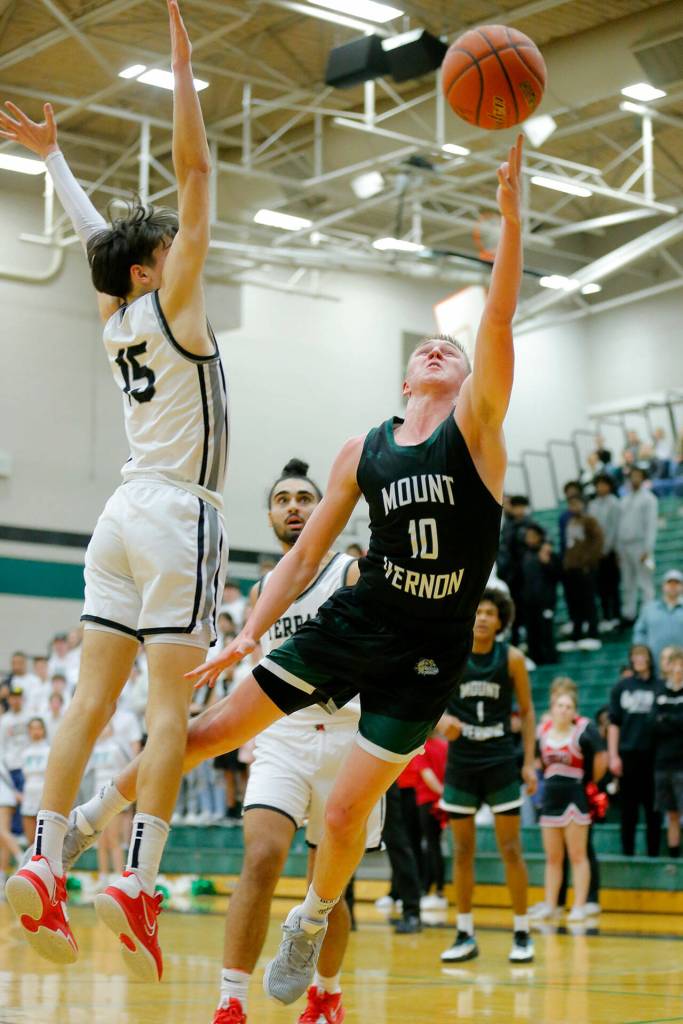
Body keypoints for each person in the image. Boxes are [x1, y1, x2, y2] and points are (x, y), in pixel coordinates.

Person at [54, 134, 525, 1004]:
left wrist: (508, 218)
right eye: (422, 346)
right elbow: (305, 556)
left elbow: (493, 321)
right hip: (356, 623)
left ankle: (310, 923)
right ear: (404, 373)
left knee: (344, 816)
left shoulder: (480, 434)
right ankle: (84, 825)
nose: (434, 349)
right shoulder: (363, 448)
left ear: (467, 380)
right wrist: (248, 635)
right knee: (197, 733)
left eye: (446, 351)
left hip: (429, 649)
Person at [2, 1, 229, 980]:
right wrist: (181, 73)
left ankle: (46, 861)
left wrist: (55, 162)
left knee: (90, 702)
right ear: (153, 267)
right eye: (167, 245)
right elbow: (197, 171)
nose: (185, 244)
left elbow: (101, 241)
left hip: (118, 515)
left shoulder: (116, 315)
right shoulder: (172, 306)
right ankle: (134, 880)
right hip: (182, 513)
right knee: (166, 705)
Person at [438, 589, 536, 963]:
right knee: (462, 851)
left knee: (511, 849)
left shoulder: (511, 658)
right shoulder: (454, 653)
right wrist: (440, 721)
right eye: (477, 610)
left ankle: (523, 931)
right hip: (462, 761)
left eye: (489, 612)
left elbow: (526, 713)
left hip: (499, 760)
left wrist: (528, 761)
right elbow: (428, 701)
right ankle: (464, 932)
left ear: (500, 620)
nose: (481, 617)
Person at [534, 679, 607, 922]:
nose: (563, 709)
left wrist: (589, 781)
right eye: (559, 705)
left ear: (574, 711)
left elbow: (599, 761)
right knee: (553, 858)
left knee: (578, 855)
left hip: (574, 796)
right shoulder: (542, 733)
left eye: (568, 706)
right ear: (552, 707)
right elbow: (537, 763)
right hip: (550, 798)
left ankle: (579, 905)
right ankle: (551, 904)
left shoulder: (580, 732)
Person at [608, 644, 661, 857]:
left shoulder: (660, 686)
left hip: (654, 756)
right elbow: (614, 724)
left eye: (643, 655)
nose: (639, 659)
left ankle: (653, 855)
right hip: (628, 755)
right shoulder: (621, 687)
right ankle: (628, 854)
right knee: (628, 811)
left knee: (653, 811)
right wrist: (613, 755)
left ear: (649, 658)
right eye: (635, 656)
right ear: (631, 659)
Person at [557, 494, 603, 652]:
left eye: (576, 503)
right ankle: (576, 635)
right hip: (571, 569)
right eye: (570, 504)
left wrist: (588, 562)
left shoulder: (590, 521)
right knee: (574, 603)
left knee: (588, 602)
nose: (573, 507)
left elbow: (598, 542)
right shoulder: (570, 522)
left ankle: (593, 633)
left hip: (585, 569)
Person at [616, 466, 658, 624]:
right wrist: (619, 549)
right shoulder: (624, 500)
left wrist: (648, 549)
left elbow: (651, 525)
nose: (634, 479)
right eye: (632, 476)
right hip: (625, 545)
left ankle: (649, 613)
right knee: (628, 581)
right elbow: (620, 526)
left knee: (644, 581)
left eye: (637, 476)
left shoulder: (649, 499)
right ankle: (629, 613)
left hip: (640, 544)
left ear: (643, 478)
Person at [653, 646, 683, 859]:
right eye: (674, 664)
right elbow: (652, 724)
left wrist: (667, 719)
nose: (678, 669)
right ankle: (674, 859)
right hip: (663, 762)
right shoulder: (660, 693)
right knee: (671, 814)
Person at [412, 734, 448, 909]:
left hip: (428, 801)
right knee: (436, 845)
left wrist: (441, 793)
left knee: (431, 845)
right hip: (442, 802)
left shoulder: (421, 747)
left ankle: (432, 891)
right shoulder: (444, 746)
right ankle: (437, 890)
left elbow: (428, 775)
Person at [520, 523, 561, 665]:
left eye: (533, 536)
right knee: (532, 632)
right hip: (529, 602)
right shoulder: (525, 554)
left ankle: (551, 659)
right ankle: (535, 659)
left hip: (545, 601)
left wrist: (546, 562)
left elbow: (557, 576)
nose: (530, 539)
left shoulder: (548, 553)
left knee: (547, 632)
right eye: (528, 536)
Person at [588, 473, 621, 631]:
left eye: (604, 484)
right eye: (598, 485)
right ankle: (605, 615)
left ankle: (615, 616)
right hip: (596, 553)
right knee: (600, 586)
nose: (600, 488)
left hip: (610, 551)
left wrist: (607, 548)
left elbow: (614, 528)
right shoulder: (592, 504)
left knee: (612, 585)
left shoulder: (615, 503)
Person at [633, 569, 683, 668]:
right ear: (663, 586)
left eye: (677, 583)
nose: (673, 586)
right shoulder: (649, 609)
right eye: (669, 583)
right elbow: (639, 632)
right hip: (655, 665)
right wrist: (643, 654)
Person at [0, 685, 30, 835]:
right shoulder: (4, 720)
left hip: (28, 766)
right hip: (11, 767)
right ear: (9, 699)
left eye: (18, 697)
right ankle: (16, 834)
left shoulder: (29, 716)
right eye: (12, 697)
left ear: (22, 699)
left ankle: (26, 833)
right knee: (13, 802)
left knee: (28, 802)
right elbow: (2, 745)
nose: (15, 700)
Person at [20, 718, 51, 846]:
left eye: (38, 728)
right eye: (32, 728)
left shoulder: (49, 750)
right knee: (30, 839)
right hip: (29, 793)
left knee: (44, 839)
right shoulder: (25, 753)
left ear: (43, 730)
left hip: (44, 793)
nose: (35, 731)